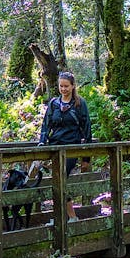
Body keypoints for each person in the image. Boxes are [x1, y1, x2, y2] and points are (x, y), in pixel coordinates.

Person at [38, 71, 93, 218]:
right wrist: (42, 141)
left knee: (60, 180)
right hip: (54, 147)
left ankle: (71, 217)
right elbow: (46, 124)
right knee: (57, 182)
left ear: (73, 86)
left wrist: (86, 158)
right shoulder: (54, 103)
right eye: (61, 86)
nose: (63, 89)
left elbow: (87, 129)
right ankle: (64, 218)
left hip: (71, 148)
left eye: (66, 86)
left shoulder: (80, 104)